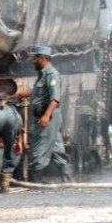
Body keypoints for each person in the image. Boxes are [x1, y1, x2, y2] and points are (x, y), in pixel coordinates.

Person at [17, 46, 71, 183]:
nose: (33, 61)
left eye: (35, 58)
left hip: (47, 118)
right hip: (49, 118)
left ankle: (36, 182)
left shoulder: (51, 75)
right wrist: (20, 95)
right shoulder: (43, 74)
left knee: (38, 149)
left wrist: (46, 116)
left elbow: (55, 99)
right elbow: (39, 91)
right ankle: (69, 180)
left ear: (43, 58)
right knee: (57, 149)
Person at [0, 98, 23, 193]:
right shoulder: (7, 97)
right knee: (10, 149)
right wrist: (19, 140)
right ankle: (5, 185)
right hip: (14, 115)